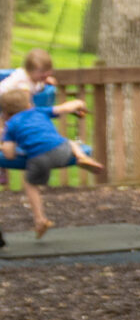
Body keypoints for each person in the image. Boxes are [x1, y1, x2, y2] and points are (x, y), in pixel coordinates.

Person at [2, 85, 104, 240]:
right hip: (61, 151)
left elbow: (9, 154)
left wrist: (5, 144)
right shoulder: (39, 111)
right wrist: (78, 103)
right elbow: (64, 108)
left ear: (6, 114)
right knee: (70, 142)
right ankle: (82, 157)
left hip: (38, 159)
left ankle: (40, 219)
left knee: (30, 185)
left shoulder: (11, 125)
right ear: (30, 105)